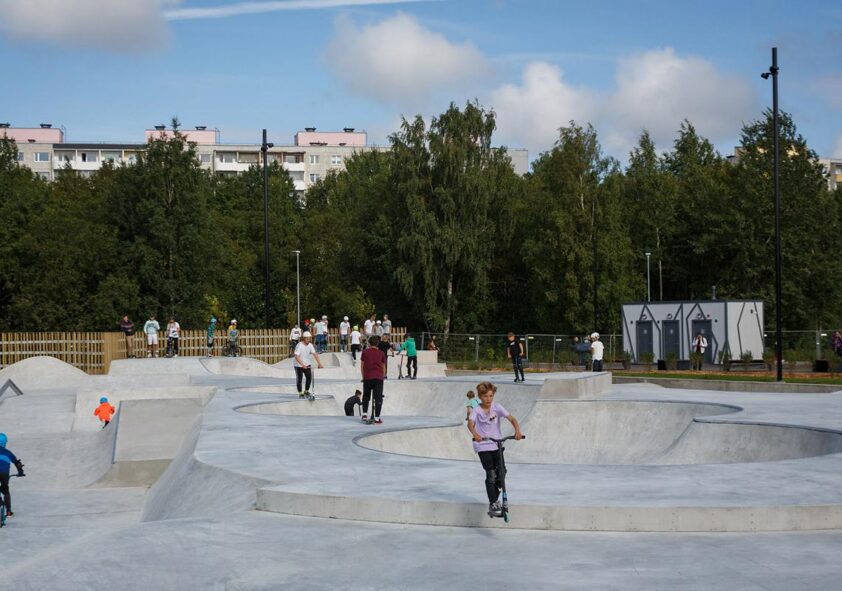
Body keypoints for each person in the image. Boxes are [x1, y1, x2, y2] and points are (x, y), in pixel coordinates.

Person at [466, 382, 523, 518]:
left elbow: (512, 419)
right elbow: (470, 424)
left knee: (502, 472)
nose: (489, 399)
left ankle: (494, 492)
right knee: (491, 474)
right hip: (482, 445)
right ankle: (493, 503)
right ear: (480, 397)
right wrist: (475, 434)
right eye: (485, 396)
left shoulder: (497, 407)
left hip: (496, 445)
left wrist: (517, 430)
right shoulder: (476, 410)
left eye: (491, 396)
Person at [360, 335, 386, 423]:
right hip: (378, 377)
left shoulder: (365, 352)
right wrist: (383, 376)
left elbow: (362, 366)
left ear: (369, 343)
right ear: (378, 343)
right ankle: (377, 418)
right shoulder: (381, 353)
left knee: (366, 396)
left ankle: (364, 414)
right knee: (378, 397)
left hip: (368, 377)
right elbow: (383, 366)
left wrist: (363, 377)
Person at [0, 433, 26, 520]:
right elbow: (17, 463)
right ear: (5, 442)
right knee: (5, 490)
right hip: (4, 474)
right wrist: (21, 472)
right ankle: (8, 512)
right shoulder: (8, 453)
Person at [293, 331, 324, 398]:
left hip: (307, 364)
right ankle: (300, 393)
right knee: (299, 379)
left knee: (309, 378)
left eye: (309, 339)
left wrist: (319, 363)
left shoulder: (310, 345)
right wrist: (302, 365)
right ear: (304, 338)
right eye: (307, 339)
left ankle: (306, 391)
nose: (308, 340)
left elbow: (315, 354)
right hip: (298, 365)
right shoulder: (299, 345)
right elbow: (296, 356)